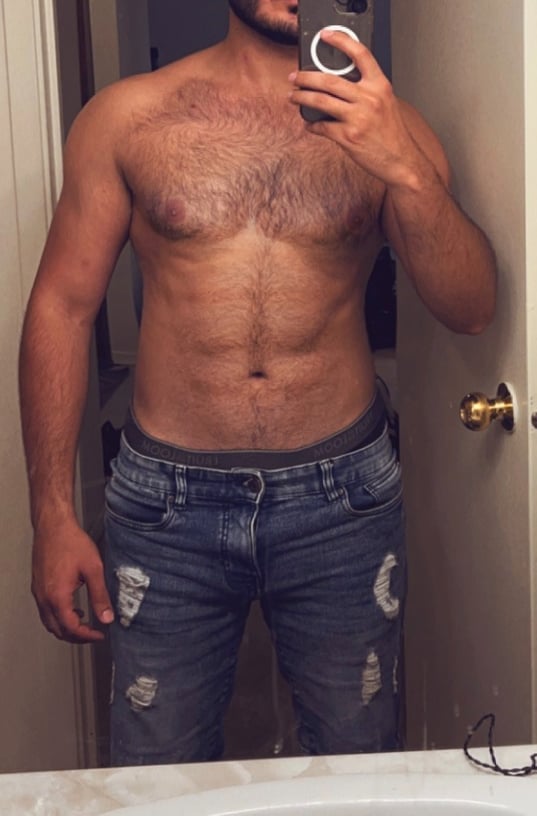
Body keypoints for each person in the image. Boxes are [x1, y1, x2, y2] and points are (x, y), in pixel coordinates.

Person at [19, 1, 497, 766]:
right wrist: (51, 514)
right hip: (164, 505)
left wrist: (401, 164)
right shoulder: (126, 118)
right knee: (157, 771)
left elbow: (469, 310)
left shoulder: (391, 126)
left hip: (342, 499)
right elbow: (63, 308)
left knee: (356, 763)